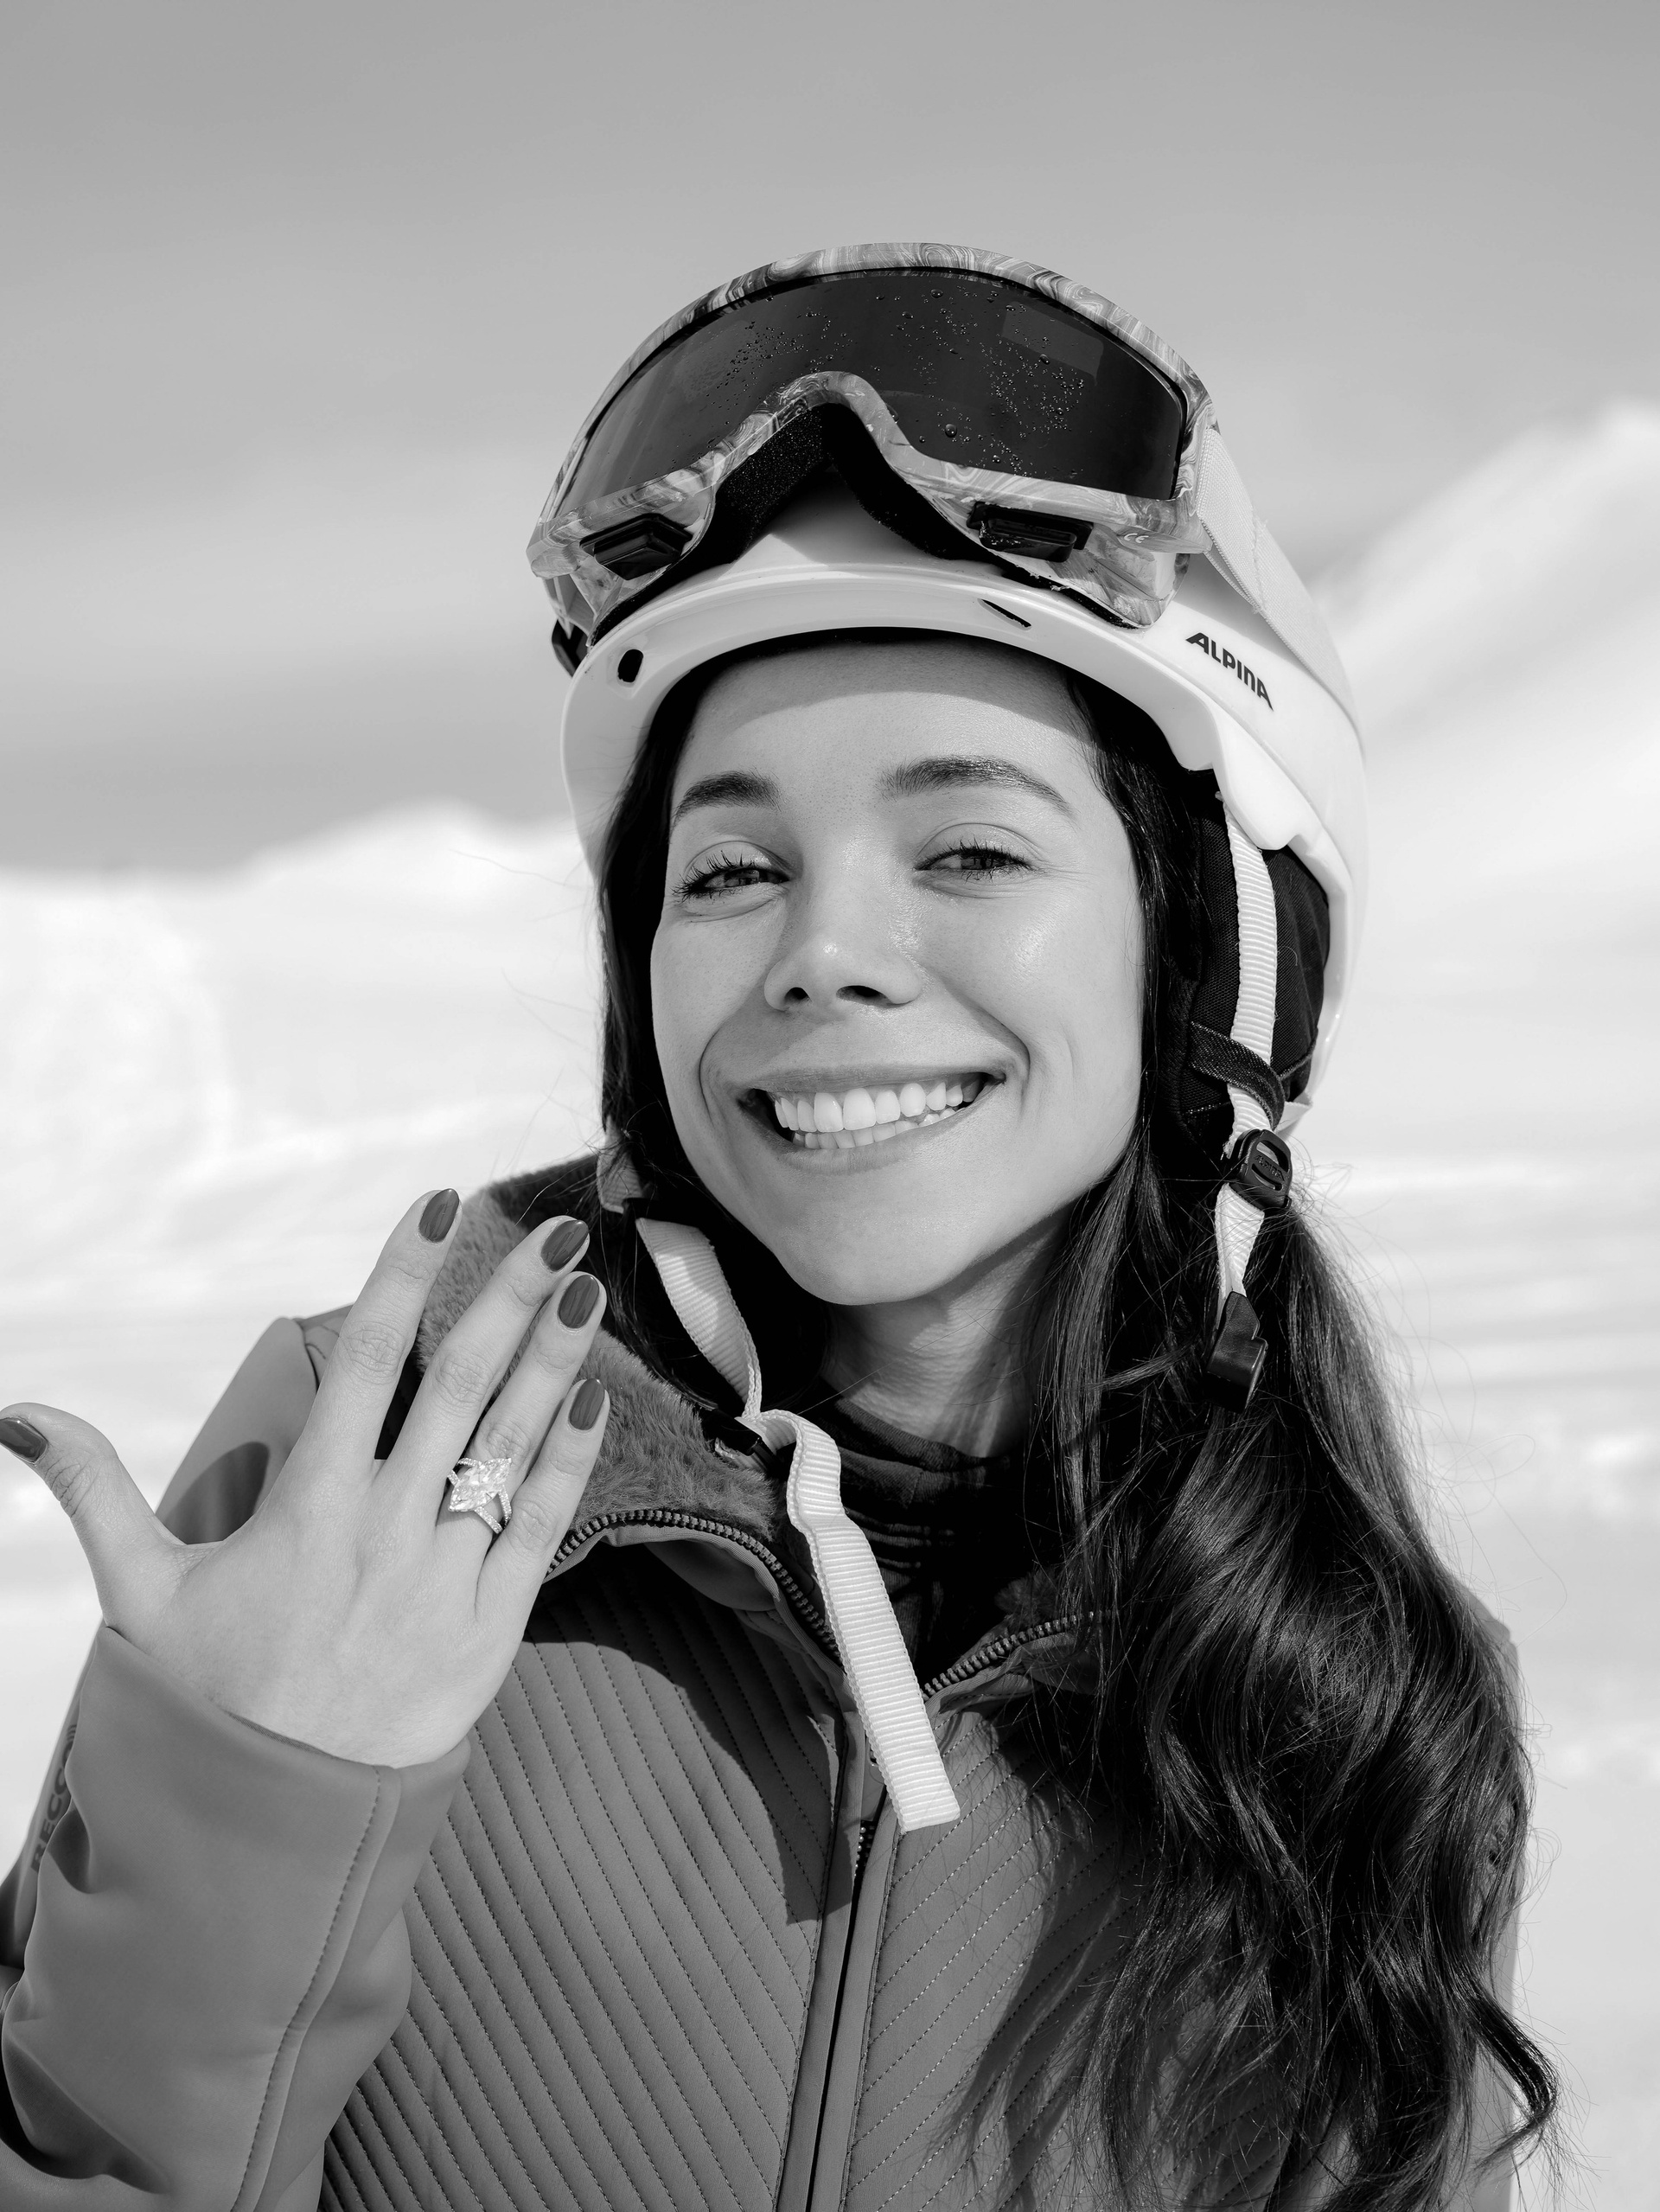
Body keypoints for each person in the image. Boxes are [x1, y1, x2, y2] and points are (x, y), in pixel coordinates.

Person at [0, 246, 1555, 2209]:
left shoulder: (1349, 1694)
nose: (824, 953)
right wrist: (253, 1817)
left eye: (968, 846)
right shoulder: (367, 1479)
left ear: (1208, 957)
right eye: (730, 869)